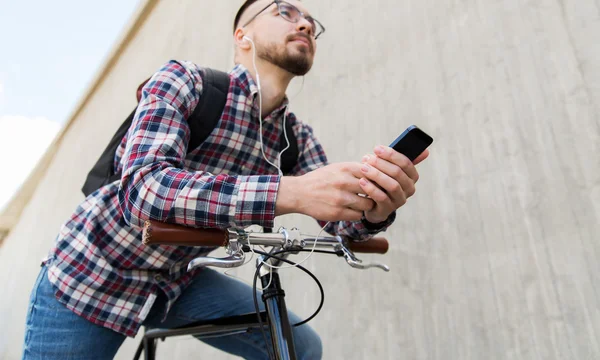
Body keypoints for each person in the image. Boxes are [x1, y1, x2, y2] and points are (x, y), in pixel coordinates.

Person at [22, 0, 430, 359]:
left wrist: (374, 208)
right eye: (284, 11)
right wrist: (289, 192)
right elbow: (144, 190)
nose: (305, 24)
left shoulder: (296, 138)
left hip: (177, 280)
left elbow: (345, 229)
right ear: (243, 36)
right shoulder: (185, 80)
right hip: (94, 272)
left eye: (311, 21)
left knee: (301, 347)